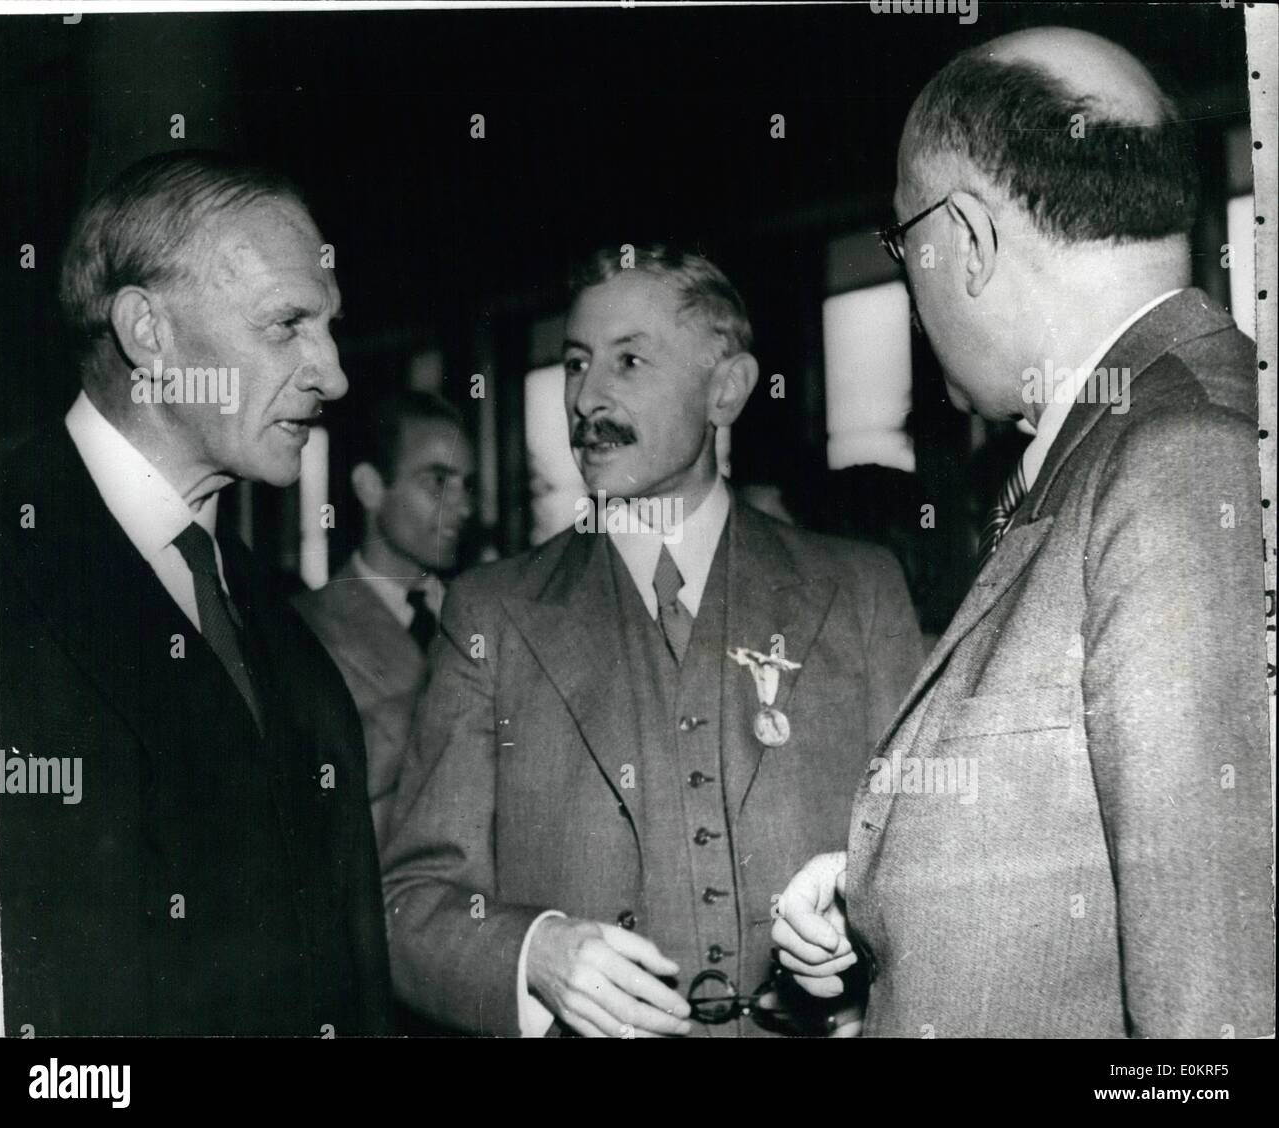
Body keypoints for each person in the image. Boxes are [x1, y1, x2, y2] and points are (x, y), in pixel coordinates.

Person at [773, 28, 1273, 1038]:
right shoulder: (1133, 432)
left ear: (964, 238)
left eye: (903, 242)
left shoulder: (1173, 460)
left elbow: (1210, 1018)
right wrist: (885, 892)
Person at [382, 244, 925, 1037]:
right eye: (574, 364)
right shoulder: (490, 615)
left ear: (727, 390)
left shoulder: (860, 592)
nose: (587, 398)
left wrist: (861, 976)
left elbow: (925, 868)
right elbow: (409, 905)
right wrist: (535, 954)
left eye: (628, 360)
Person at [0, 150, 392, 1035]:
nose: (333, 374)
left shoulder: (272, 621)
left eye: (327, 328)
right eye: (287, 324)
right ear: (148, 333)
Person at [294, 390, 474, 852]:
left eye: (465, 485)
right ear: (370, 487)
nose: (463, 507)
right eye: (437, 481)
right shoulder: (302, 630)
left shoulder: (483, 612)